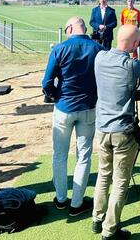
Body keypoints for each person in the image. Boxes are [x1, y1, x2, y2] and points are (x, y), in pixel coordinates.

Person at [92, 25, 140, 240]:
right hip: (122, 131)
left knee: (103, 175)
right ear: (135, 43)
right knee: (120, 183)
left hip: (102, 128)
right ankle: (109, 230)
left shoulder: (100, 58)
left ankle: (97, 218)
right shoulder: (132, 65)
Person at [42, 17, 103, 217]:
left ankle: (61, 199)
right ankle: (76, 203)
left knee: (59, 155)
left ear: (69, 28)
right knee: (83, 156)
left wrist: (53, 95)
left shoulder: (59, 49)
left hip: (64, 107)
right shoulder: (97, 48)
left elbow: (47, 82)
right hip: (87, 107)